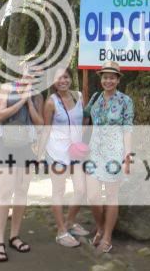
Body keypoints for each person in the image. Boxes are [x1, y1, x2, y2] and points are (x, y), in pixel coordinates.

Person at [0, 70, 43, 263]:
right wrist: (21, 100)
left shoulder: (38, 96)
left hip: (27, 147)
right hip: (6, 145)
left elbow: (40, 124)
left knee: (22, 191)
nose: (33, 75)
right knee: (5, 191)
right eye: (31, 70)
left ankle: (14, 236)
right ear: (23, 70)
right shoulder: (7, 88)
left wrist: (29, 102)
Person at [85, 61, 134, 254]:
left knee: (112, 196)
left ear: (118, 80)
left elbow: (128, 129)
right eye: (105, 77)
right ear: (101, 79)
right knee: (93, 196)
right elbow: (84, 116)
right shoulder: (96, 98)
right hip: (94, 151)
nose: (108, 81)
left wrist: (127, 155)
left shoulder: (125, 101)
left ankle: (107, 236)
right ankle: (100, 227)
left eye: (112, 77)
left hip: (115, 152)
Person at [37, 67, 89, 247]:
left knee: (81, 190)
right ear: (54, 81)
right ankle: (61, 232)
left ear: (70, 79)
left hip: (75, 152)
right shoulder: (51, 102)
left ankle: (69, 223)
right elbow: (46, 129)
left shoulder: (79, 97)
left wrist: (79, 138)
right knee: (58, 191)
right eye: (58, 78)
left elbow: (84, 119)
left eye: (65, 77)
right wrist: (39, 155)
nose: (62, 81)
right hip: (56, 152)